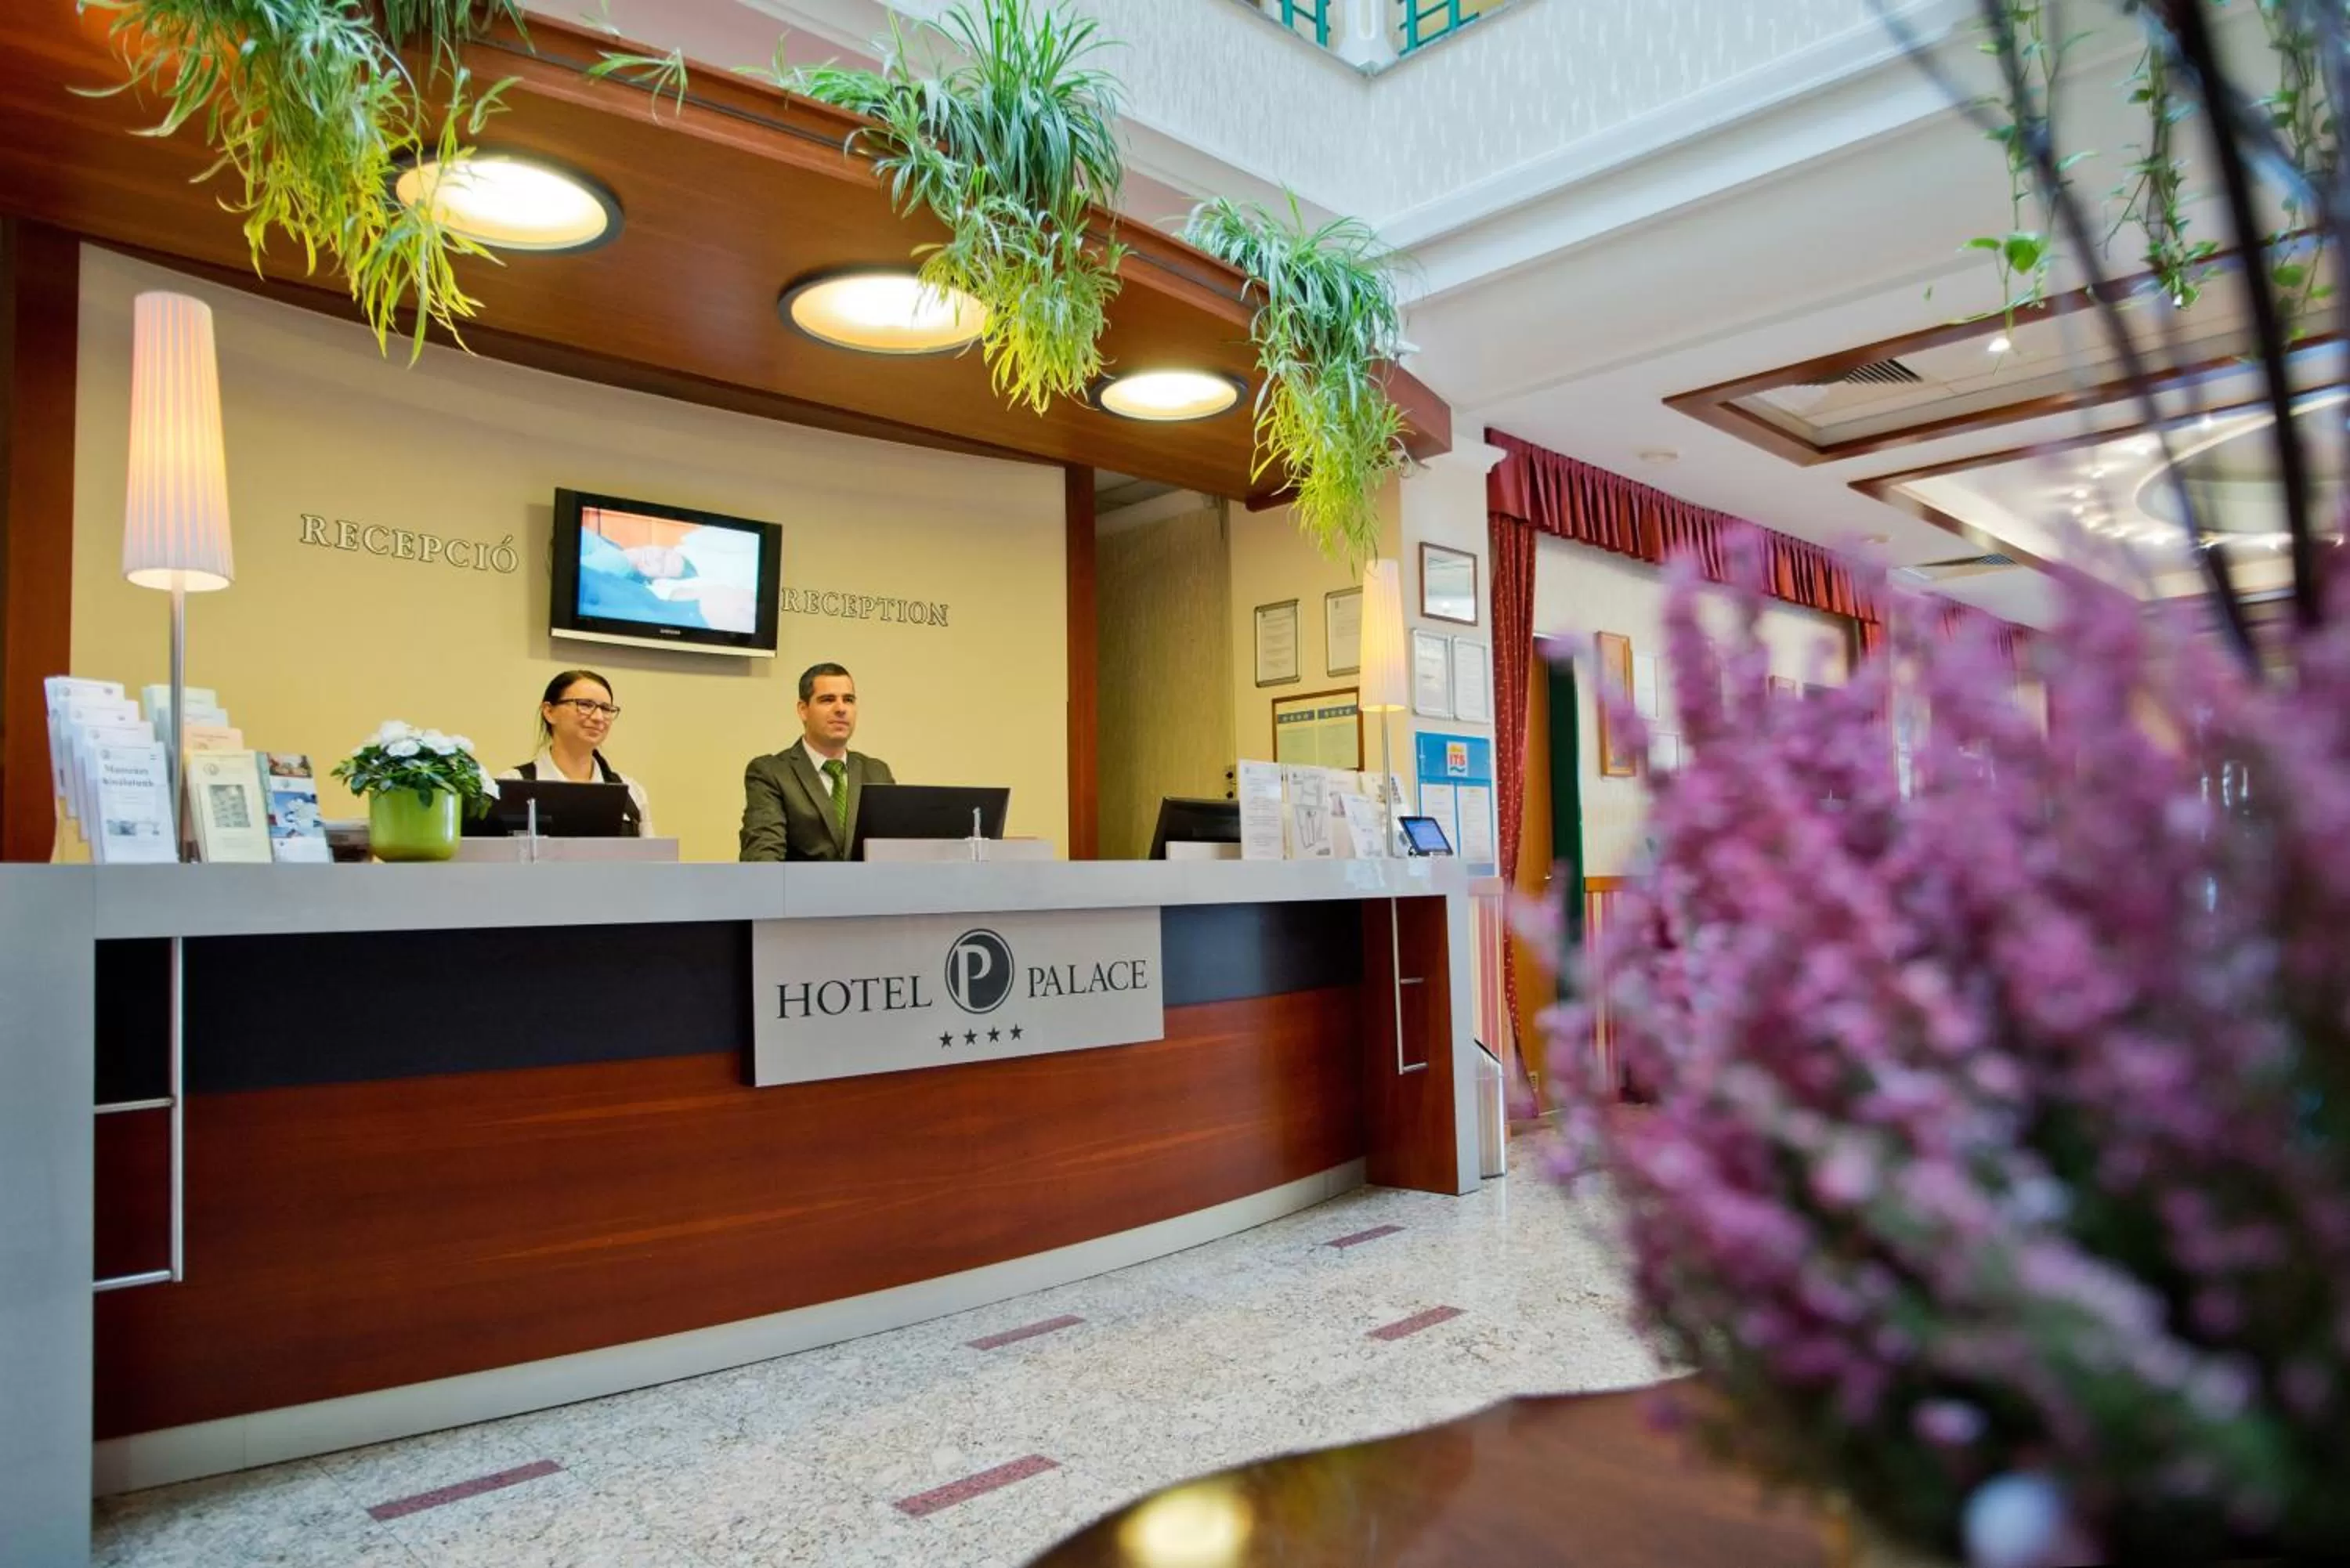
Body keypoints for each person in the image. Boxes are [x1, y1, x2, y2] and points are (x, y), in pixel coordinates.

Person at [739, 663, 894, 862]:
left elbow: (891, 852)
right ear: (803, 710)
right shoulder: (771, 772)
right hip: (796, 891)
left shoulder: (877, 772)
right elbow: (762, 856)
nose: (841, 709)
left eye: (848, 700)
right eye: (827, 700)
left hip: (866, 891)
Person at [502, 670, 652, 835]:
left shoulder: (631, 791)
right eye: (585, 705)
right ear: (549, 712)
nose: (598, 717)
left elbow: (651, 858)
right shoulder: (513, 784)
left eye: (606, 708)